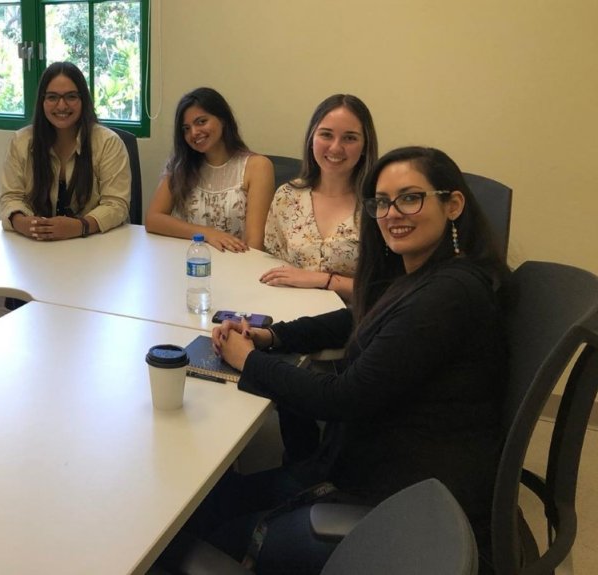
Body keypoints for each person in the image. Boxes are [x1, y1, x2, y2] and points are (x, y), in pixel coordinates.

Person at [177, 147, 509, 574]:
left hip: (390, 501)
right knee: (213, 501)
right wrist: (272, 335)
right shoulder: (426, 275)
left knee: (199, 528)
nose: (392, 213)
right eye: (382, 203)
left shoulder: (449, 295)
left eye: (410, 198)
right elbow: (356, 315)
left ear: (453, 204)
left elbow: (341, 398)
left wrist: (249, 361)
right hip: (366, 466)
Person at [260, 94, 378, 303]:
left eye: (350, 138)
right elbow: (272, 265)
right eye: (326, 135)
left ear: (365, 147)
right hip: (288, 313)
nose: (335, 147)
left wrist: (325, 280)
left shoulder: (380, 205)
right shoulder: (287, 196)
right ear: (311, 139)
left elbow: (391, 290)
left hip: (355, 322)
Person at [0, 61, 130, 240]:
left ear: (83, 99)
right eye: (52, 97)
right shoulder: (21, 142)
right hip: (38, 246)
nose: (61, 106)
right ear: (42, 101)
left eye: (71, 97)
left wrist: (80, 227)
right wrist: (22, 222)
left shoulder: (108, 143)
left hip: (95, 245)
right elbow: (11, 197)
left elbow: (116, 205)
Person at [145, 87, 274, 252]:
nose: (194, 133)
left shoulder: (257, 166)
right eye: (186, 129)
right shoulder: (180, 165)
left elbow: (255, 243)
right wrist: (207, 234)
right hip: (193, 259)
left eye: (201, 122)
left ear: (223, 120)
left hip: (238, 263)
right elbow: (153, 219)